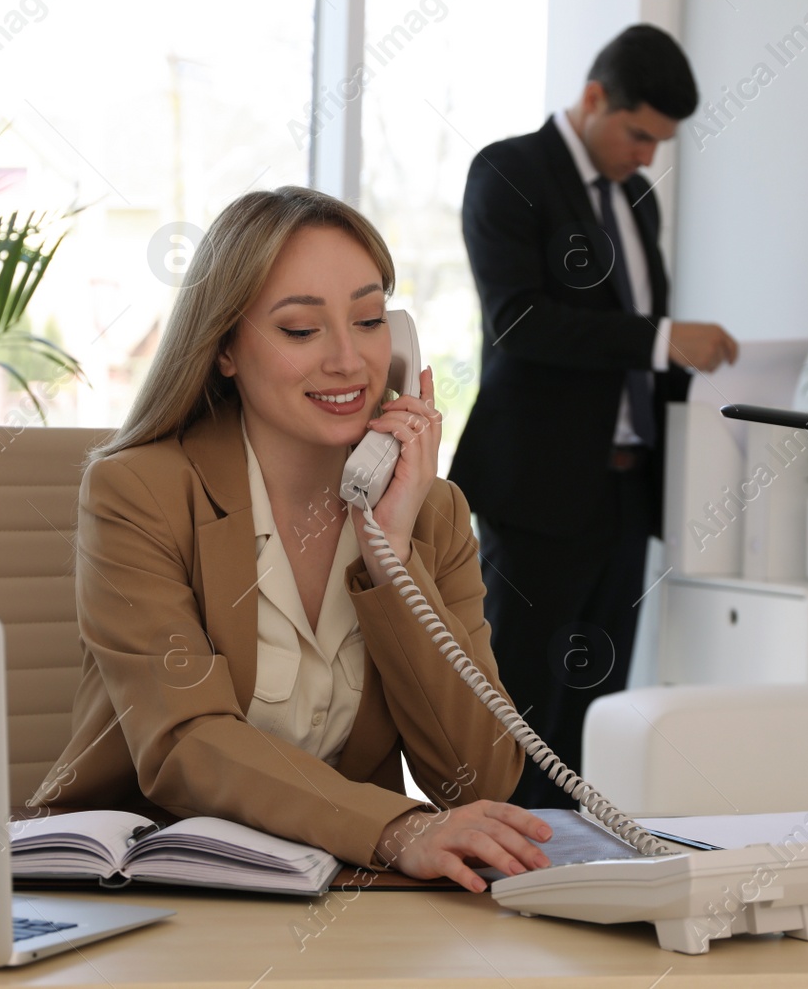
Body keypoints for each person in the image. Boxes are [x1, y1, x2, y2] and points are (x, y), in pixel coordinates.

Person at [33, 186, 551, 891]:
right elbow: (187, 742)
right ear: (223, 349)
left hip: (339, 895)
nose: (348, 359)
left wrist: (391, 557)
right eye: (301, 330)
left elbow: (479, 775)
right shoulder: (140, 493)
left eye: (368, 320)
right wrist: (395, 827)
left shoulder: (432, 512)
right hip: (151, 885)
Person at [448, 24, 740, 808]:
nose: (648, 156)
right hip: (540, 489)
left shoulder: (638, 201)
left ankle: (575, 869)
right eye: (639, 134)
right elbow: (519, 321)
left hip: (625, 493)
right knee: (518, 705)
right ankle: (490, 869)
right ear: (592, 98)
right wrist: (664, 339)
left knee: (595, 709)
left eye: (661, 142)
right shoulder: (509, 172)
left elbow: (640, 348)